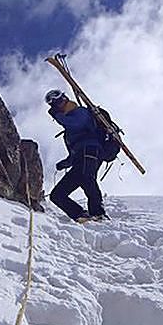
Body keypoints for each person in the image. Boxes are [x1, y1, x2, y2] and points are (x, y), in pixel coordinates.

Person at [45, 88, 106, 223]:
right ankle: (81, 215)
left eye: (59, 100)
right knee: (57, 195)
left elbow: (76, 123)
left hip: (91, 150)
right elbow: (74, 152)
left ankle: (98, 213)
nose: (57, 105)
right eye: (54, 104)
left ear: (65, 98)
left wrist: (57, 115)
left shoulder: (80, 112)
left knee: (87, 178)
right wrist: (66, 163)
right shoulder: (68, 131)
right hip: (80, 157)